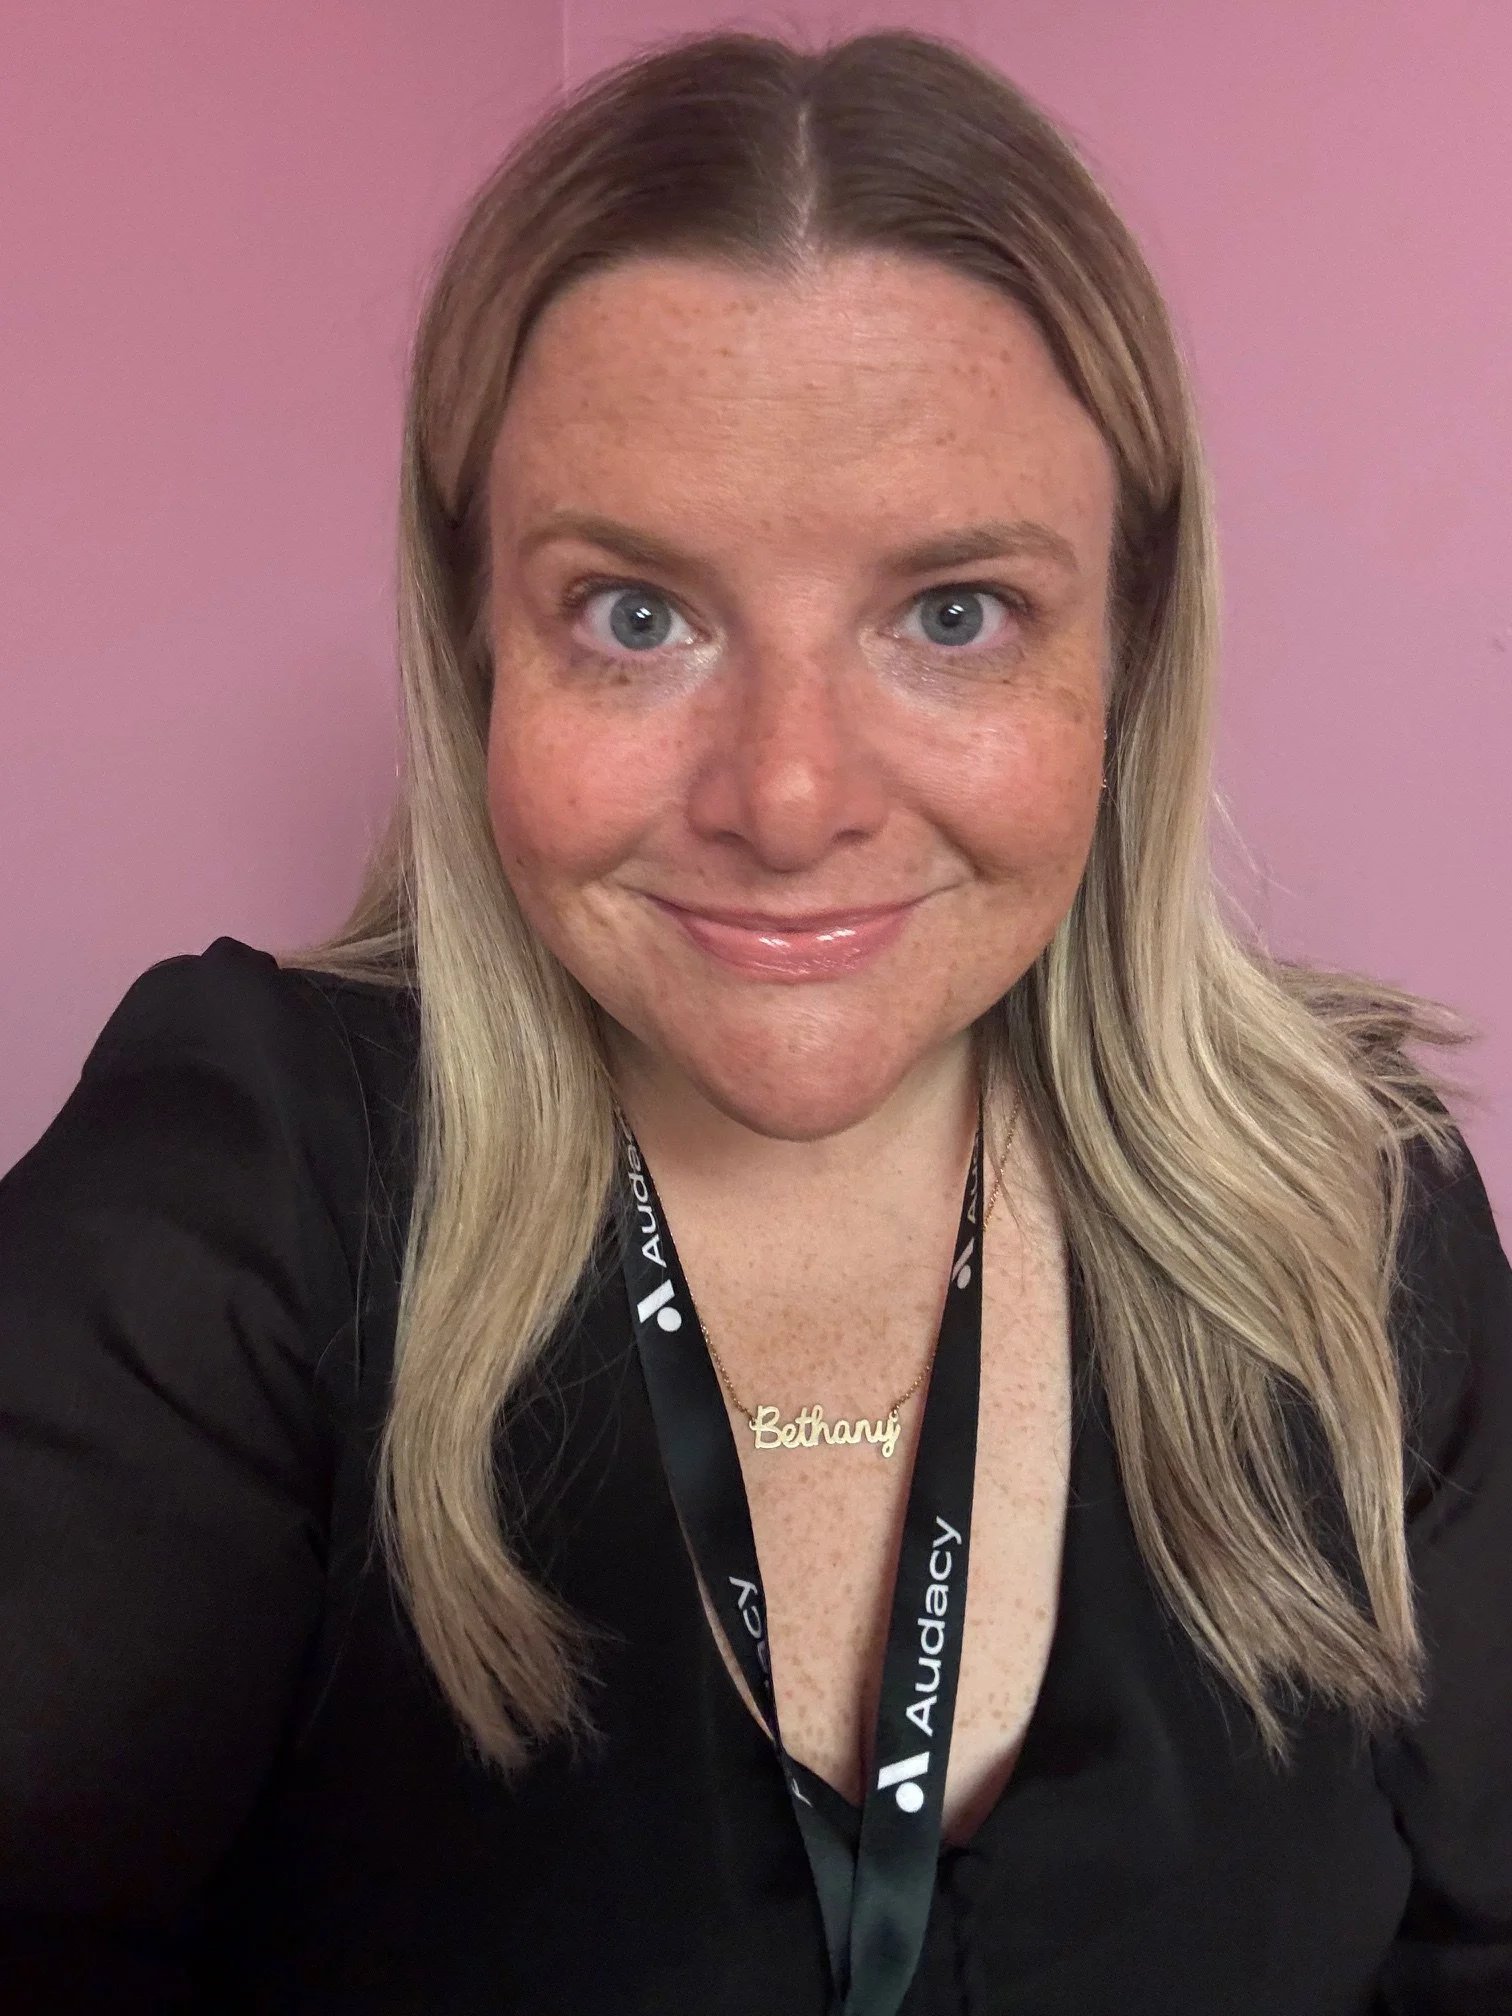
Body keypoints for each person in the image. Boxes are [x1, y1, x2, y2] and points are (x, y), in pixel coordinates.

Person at [1, 28, 1507, 2016]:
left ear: (1129, 648)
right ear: (474, 654)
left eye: (952, 612)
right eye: (636, 615)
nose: (789, 801)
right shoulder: (246, 1189)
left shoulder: (1357, 1211)